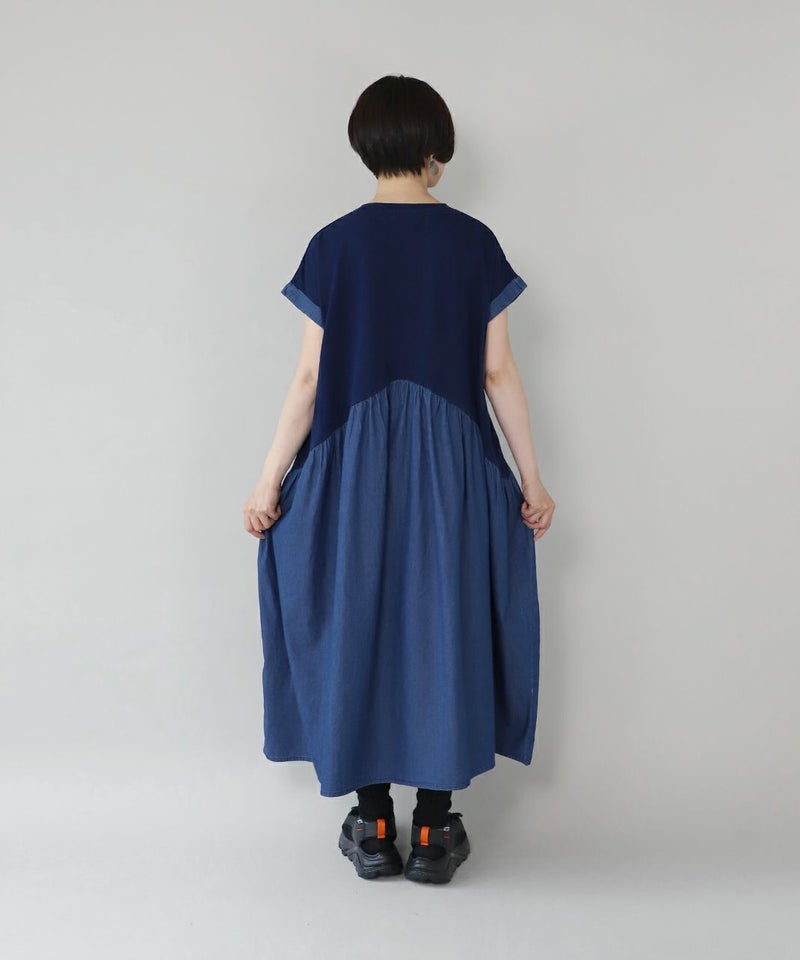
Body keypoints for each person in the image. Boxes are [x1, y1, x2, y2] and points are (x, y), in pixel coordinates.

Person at [243, 74, 555, 884]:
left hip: (351, 464)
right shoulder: (473, 243)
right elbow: (497, 372)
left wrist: (269, 482)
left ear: (365, 147)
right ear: (435, 149)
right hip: (449, 463)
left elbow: (309, 381)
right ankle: (435, 829)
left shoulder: (334, 245)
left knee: (357, 619)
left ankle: (373, 820)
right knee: (444, 623)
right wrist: (532, 480)